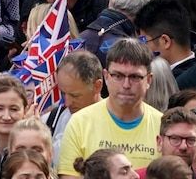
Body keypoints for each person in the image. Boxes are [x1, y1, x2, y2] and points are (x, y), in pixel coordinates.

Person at [57, 40, 161, 174]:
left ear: (149, 80)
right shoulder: (79, 123)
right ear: (106, 77)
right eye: (118, 76)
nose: (126, 85)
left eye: (135, 77)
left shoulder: (162, 126)